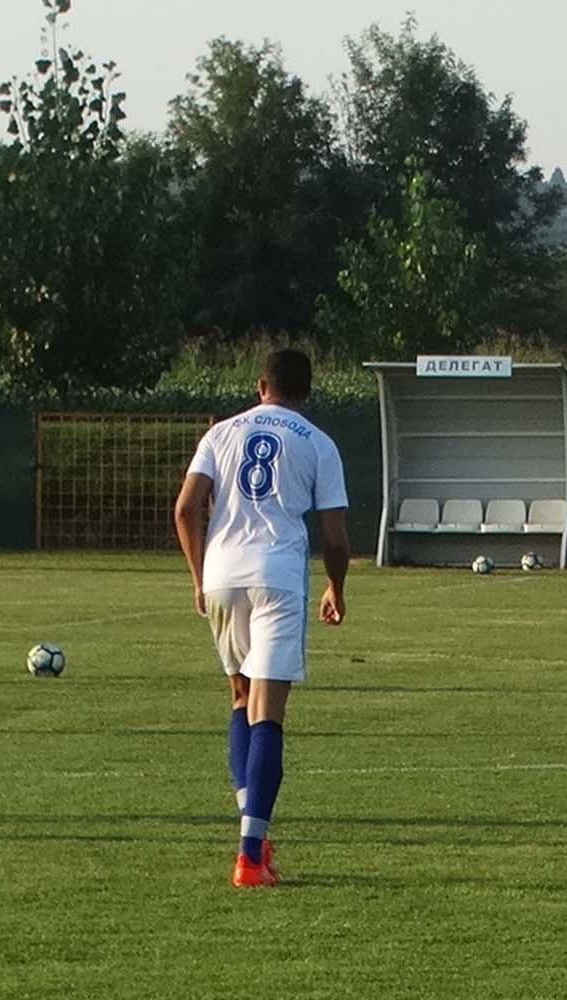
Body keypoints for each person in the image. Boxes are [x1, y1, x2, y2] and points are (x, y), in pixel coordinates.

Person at [173, 348, 351, 889]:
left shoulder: (220, 433)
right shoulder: (318, 442)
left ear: (260, 385)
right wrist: (336, 586)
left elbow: (185, 508)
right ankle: (250, 855)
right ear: (308, 392)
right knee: (268, 712)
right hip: (276, 576)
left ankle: (253, 833)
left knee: (239, 698)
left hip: (222, 575)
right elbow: (335, 536)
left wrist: (198, 577)